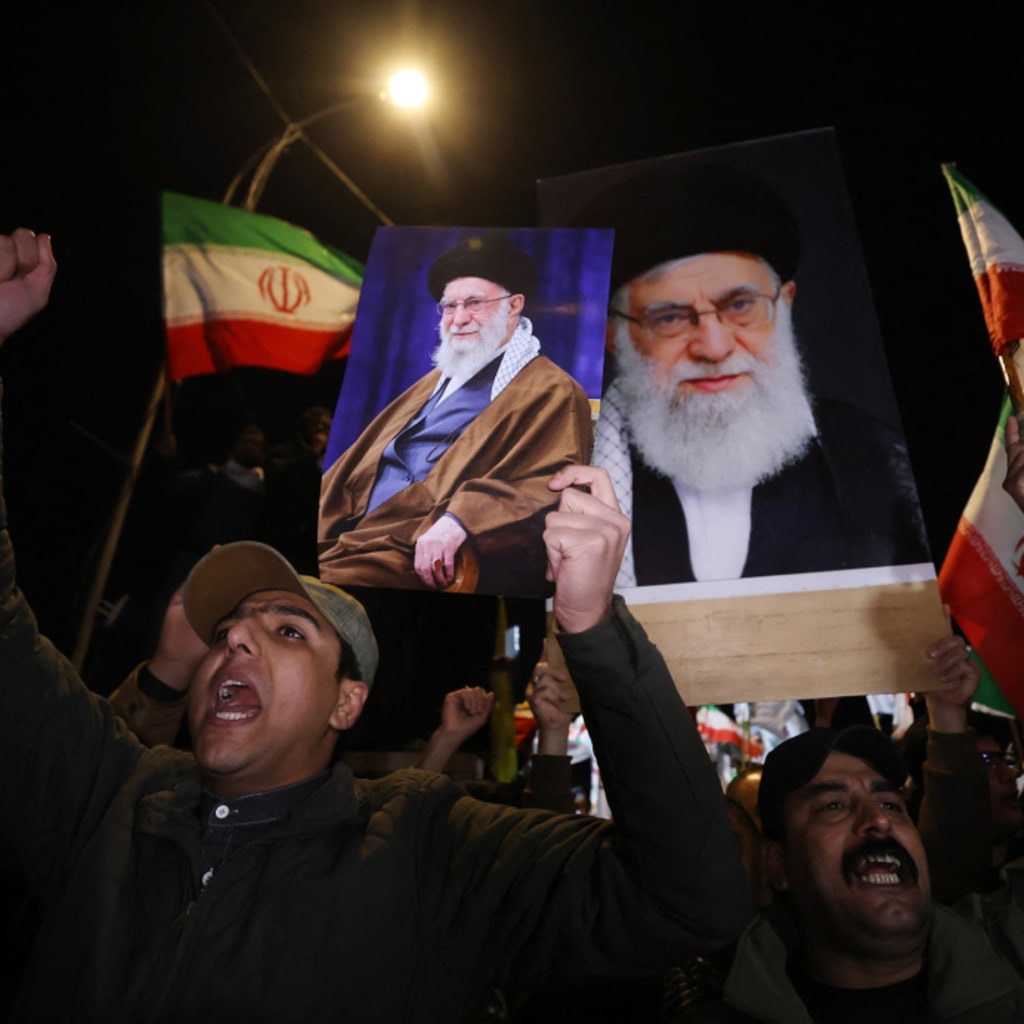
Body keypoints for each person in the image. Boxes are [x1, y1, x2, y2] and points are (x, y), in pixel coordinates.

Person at [0, 231, 751, 1022]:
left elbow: (691, 901)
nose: (237, 641)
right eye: (229, 632)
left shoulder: (432, 856)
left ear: (347, 704)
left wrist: (592, 625)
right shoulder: (112, 800)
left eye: (288, 631)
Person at [573, 162, 929, 588]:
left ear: (785, 305)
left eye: (740, 305)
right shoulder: (566, 474)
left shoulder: (878, 454)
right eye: (669, 317)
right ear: (614, 335)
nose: (715, 347)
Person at [318, 234, 593, 598]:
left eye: (475, 303)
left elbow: (551, 482)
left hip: (409, 544)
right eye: (450, 307)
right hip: (348, 531)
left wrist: (460, 519)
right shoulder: (433, 382)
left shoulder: (551, 389)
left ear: (514, 306)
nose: (459, 319)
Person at [692, 723, 1024, 1021]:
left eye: (891, 805)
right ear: (778, 864)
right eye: (834, 805)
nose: (879, 821)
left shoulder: (1012, 954)